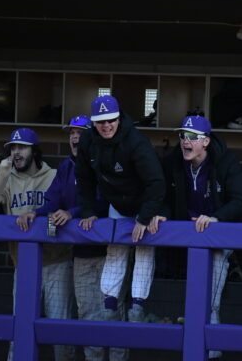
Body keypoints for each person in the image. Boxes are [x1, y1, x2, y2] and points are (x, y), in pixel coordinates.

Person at [18, 115, 128, 361]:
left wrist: (72, 213)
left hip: (111, 254)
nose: (75, 137)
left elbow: (103, 201)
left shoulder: (103, 162)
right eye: (72, 133)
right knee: (87, 314)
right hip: (81, 253)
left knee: (113, 314)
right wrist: (36, 212)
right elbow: (54, 197)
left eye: (81, 132)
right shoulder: (67, 166)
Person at [154, 115, 242, 360]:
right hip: (188, 240)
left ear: (205, 141)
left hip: (217, 238)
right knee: (194, 299)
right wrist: (162, 214)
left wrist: (216, 217)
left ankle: (211, 352)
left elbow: (240, 201)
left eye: (192, 137)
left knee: (210, 300)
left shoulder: (225, 162)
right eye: (183, 136)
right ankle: (197, 348)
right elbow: (162, 196)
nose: (185, 141)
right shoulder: (174, 162)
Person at [0, 128, 74, 361]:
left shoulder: (53, 176)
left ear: (34, 150)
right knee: (19, 328)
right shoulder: (7, 179)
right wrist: (2, 169)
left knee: (60, 332)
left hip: (57, 263)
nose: (16, 152)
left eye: (21, 147)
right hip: (24, 266)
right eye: (12, 148)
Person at [75, 95, 165, 323]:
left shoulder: (135, 141)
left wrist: (145, 217)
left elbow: (156, 182)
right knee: (116, 248)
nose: (106, 125)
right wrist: (88, 209)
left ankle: (137, 304)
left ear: (118, 118)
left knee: (144, 247)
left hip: (144, 201)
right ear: (94, 122)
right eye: (101, 121)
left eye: (111, 120)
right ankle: (110, 302)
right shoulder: (87, 140)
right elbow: (84, 178)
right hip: (117, 201)